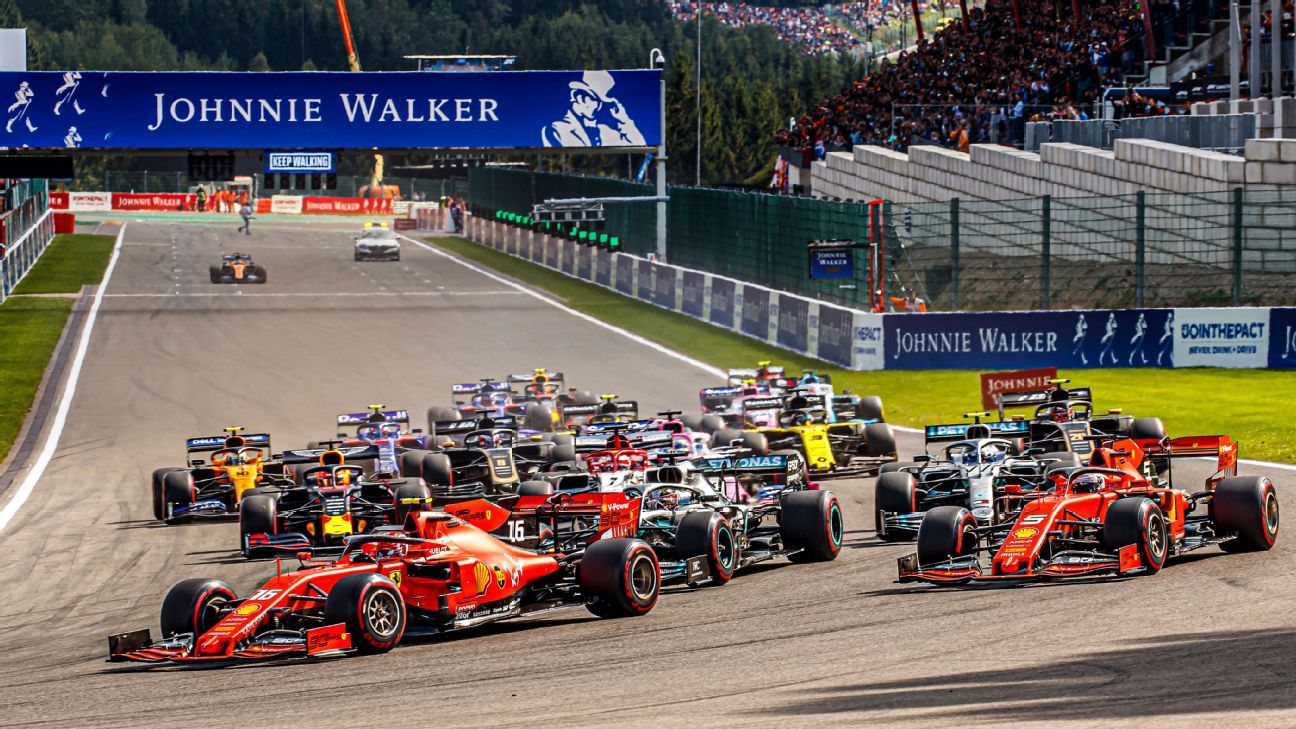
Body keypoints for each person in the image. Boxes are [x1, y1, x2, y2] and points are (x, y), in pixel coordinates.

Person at [541, 70, 645, 148]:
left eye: (602, 103)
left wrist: (624, 120)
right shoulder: (555, 130)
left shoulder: (604, 130)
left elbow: (639, 143)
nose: (598, 107)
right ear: (580, 98)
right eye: (596, 100)